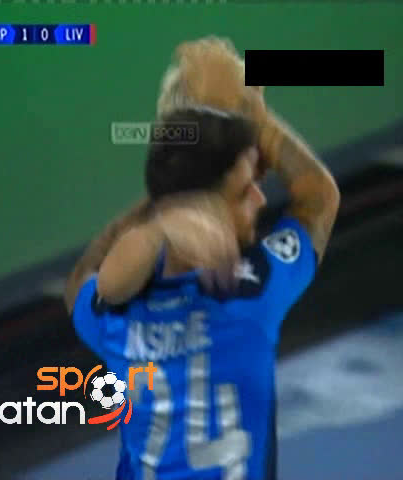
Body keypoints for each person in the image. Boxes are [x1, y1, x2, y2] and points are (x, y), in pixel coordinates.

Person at [65, 47, 340, 480]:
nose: (260, 199)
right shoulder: (252, 293)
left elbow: (82, 280)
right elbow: (318, 198)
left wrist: (166, 203)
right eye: (245, 190)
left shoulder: (117, 319)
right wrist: (253, 118)